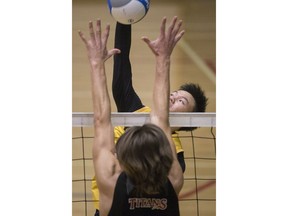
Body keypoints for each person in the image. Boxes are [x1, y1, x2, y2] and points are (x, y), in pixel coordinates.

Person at [91, 17, 208, 215]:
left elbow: (101, 121)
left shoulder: (111, 180)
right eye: (174, 93)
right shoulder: (172, 173)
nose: (173, 97)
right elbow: (122, 79)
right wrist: (124, 18)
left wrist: (95, 63)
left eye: (181, 101)